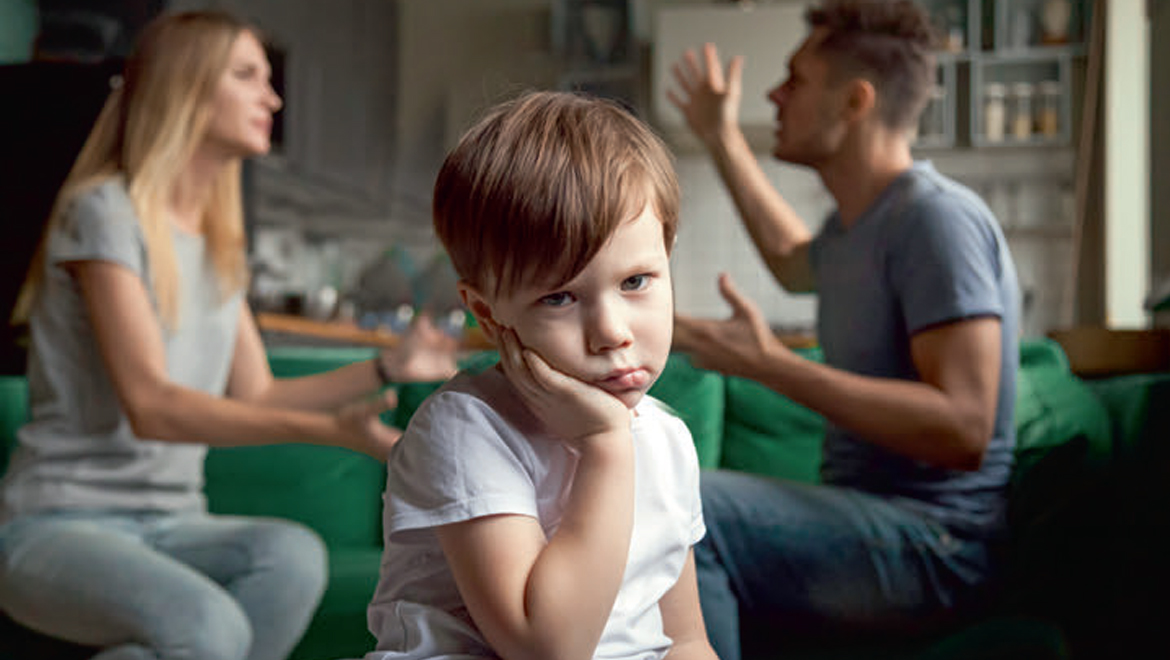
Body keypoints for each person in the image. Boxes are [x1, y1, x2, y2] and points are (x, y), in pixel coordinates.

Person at [0, 10, 457, 660]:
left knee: (292, 556)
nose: (272, 97)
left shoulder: (219, 244)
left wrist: (388, 367)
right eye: (248, 75)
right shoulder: (104, 213)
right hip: (56, 525)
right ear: (183, 87)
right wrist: (328, 432)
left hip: (175, 523)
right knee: (211, 627)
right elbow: (152, 406)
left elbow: (259, 392)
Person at [665, 1, 1021, 657]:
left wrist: (771, 365)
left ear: (856, 101)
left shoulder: (936, 221)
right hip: (875, 524)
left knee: (690, 512)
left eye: (795, 79)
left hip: (938, 547)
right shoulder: (854, 230)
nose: (774, 94)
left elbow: (966, 427)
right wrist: (719, 135)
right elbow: (788, 255)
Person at [357, 90, 717, 660]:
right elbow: (546, 648)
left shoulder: (666, 440)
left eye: (636, 282)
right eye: (560, 298)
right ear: (487, 313)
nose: (611, 332)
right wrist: (605, 447)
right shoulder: (465, 429)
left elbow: (686, 640)